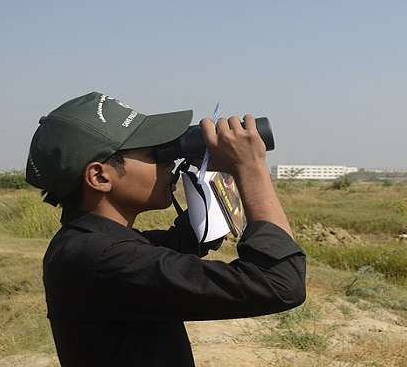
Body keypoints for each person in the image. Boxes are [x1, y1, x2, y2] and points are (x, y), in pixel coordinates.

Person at [25, 92, 306, 367]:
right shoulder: (104, 259)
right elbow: (279, 283)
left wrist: (207, 168)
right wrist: (251, 167)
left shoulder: (88, 243)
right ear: (100, 176)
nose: (169, 163)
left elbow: (186, 240)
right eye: (156, 154)